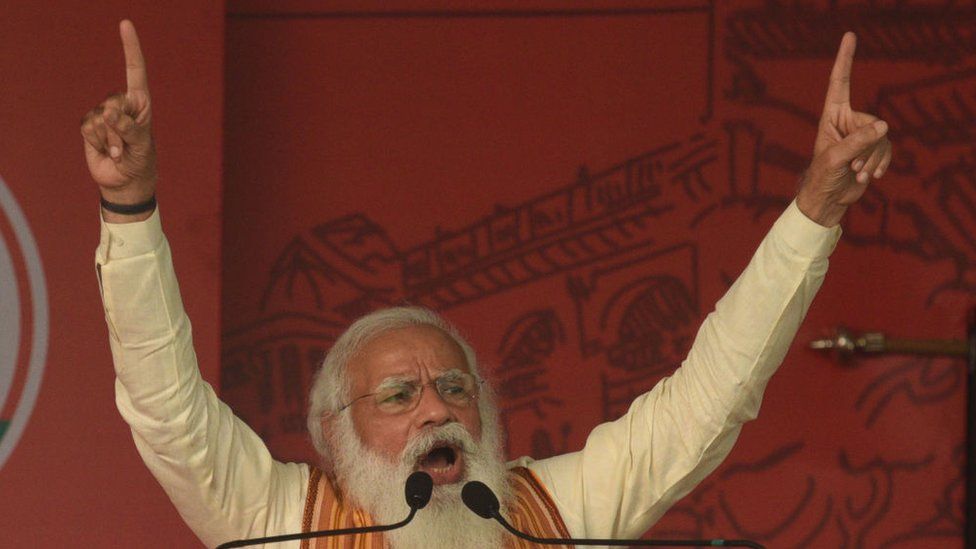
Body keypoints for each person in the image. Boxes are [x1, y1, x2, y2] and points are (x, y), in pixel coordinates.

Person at [82, 20, 891, 549]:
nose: (438, 408)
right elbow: (168, 408)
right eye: (399, 394)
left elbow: (710, 398)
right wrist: (130, 205)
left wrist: (815, 208)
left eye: (454, 387)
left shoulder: (544, 514)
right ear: (334, 433)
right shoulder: (278, 519)